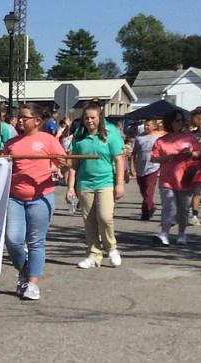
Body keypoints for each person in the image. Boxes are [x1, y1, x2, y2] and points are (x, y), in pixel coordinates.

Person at [2, 102, 67, 300]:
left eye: (25, 117)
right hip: (15, 198)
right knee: (13, 240)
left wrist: (58, 166)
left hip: (41, 196)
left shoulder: (48, 140)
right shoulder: (11, 143)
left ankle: (32, 283)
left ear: (37, 121)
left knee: (36, 242)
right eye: (19, 116)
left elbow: (65, 161)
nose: (20, 120)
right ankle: (23, 269)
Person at [66, 102, 125, 269]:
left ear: (100, 118)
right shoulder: (79, 137)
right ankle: (93, 254)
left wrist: (119, 183)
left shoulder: (110, 135)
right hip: (85, 183)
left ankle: (111, 248)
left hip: (105, 181)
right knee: (89, 220)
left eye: (93, 117)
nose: (89, 121)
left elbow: (119, 159)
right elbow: (73, 165)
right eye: (86, 118)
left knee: (105, 217)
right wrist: (71, 187)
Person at [151, 109, 201, 246]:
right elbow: (154, 158)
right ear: (170, 123)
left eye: (182, 120)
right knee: (168, 206)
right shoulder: (161, 141)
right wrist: (167, 158)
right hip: (167, 179)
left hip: (185, 179)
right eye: (177, 121)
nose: (180, 123)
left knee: (184, 208)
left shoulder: (189, 138)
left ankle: (181, 233)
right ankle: (164, 233)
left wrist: (191, 153)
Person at [132, 118, 161, 220]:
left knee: (149, 191)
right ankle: (151, 206)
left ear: (154, 126)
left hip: (153, 167)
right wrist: (132, 167)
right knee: (143, 191)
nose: (146, 127)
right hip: (141, 167)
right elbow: (134, 153)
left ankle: (146, 211)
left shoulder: (158, 138)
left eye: (148, 125)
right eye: (145, 125)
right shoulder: (139, 138)